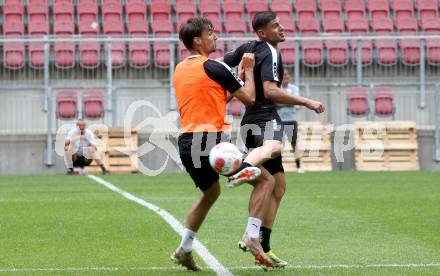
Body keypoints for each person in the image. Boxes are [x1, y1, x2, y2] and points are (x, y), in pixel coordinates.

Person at [221, 11, 325, 267]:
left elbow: (222, 64)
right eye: (276, 26)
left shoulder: (249, 47)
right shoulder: (270, 50)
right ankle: (243, 167)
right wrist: (307, 101)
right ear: (262, 33)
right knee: (275, 147)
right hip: (265, 116)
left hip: (250, 120)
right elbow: (270, 90)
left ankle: (262, 245)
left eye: (280, 24)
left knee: (277, 185)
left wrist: (239, 74)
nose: (282, 28)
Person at [171, 16, 274, 271]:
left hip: (187, 143)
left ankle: (184, 248)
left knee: (211, 193)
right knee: (266, 181)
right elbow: (249, 99)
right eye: (211, 33)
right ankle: (251, 235)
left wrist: (234, 79)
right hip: (209, 142)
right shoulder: (215, 67)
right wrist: (247, 71)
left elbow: (216, 98)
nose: (215, 36)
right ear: (197, 40)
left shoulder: (180, 68)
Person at [276, 69, 304, 174]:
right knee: (279, 145)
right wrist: (288, 100)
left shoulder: (294, 89)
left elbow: (296, 102)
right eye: (283, 76)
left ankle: (298, 167)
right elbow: (275, 103)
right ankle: (279, 167)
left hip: (291, 120)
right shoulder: (276, 88)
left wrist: (282, 101)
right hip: (278, 120)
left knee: (294, 144)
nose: (285, 77)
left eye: (287, 75)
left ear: (290, 77)